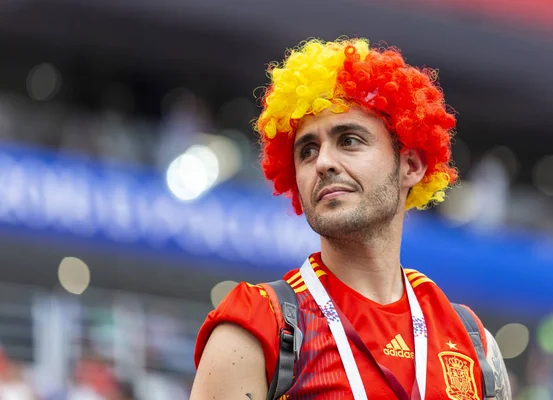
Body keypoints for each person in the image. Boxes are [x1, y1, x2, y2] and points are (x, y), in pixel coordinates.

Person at [190, 38, 512, 399]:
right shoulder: (257, 324)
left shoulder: (471, 341)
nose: (323, 162)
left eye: (349, 140)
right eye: (307, 150)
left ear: (411, 165)